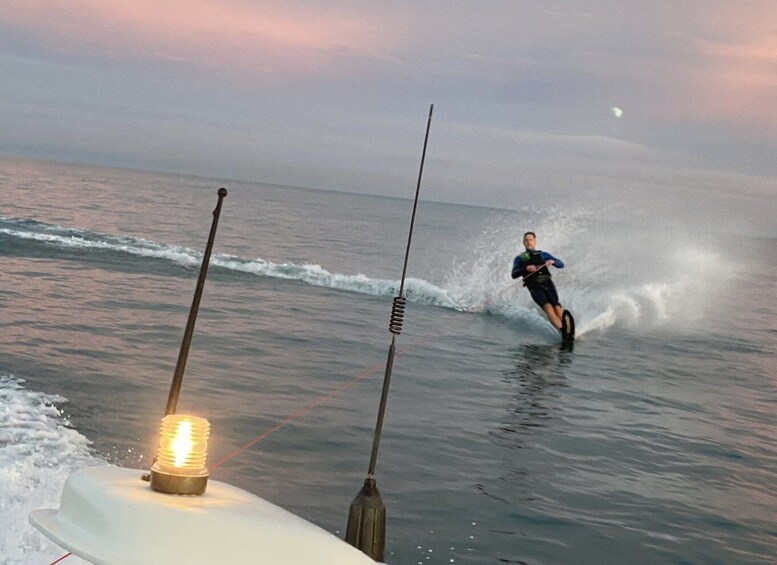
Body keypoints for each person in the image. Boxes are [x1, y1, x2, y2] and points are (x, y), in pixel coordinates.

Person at [511, 231, 566, 332]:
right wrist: (526, 269)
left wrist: (552, 261)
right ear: (523, 242)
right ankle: (562, 331)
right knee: (548, 308)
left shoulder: (543, 255)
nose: (529, 242)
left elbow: (561, 264)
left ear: (535, 241)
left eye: (531, 240)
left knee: (556, 306)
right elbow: (514, 274)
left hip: (547, 282)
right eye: (526, 240)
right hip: (533, 286)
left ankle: (568, 329)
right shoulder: (519, 259)